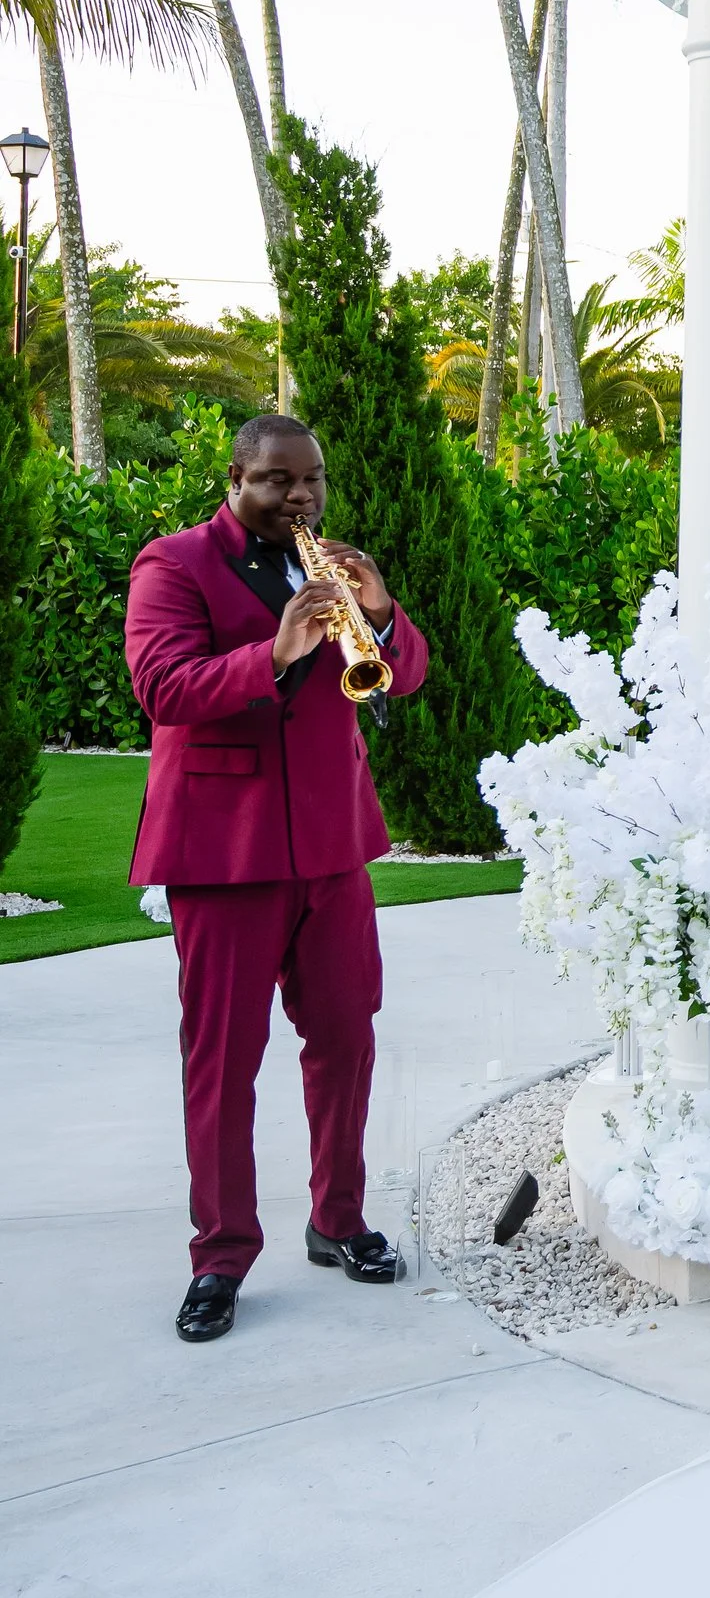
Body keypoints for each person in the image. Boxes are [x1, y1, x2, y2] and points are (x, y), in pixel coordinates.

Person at [125, 412, 431, 1344]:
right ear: (236, 477)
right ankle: (220, 1254)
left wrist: (378, 614)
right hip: (224, 854)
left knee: (346, 1039)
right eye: (277, 481)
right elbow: (163, 687)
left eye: (311, 481)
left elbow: (401, 677)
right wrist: (277, 652)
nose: (300, 497)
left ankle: (337, 1220)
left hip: (333, 849)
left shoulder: (331, 567)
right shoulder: (172, 565)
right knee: (223, 1062)